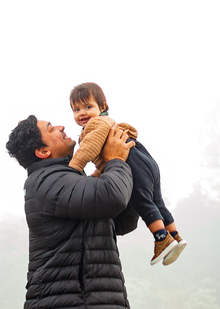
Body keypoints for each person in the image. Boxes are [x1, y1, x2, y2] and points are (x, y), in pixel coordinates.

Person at [6, 114, 138, 309]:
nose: (61, 126)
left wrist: (129, 172)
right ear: (43, 151)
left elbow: (121, 222)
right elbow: (112, 197)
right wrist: (115, 160)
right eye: (51, 129)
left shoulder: (68, 180)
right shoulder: (46, 181)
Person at [68, 82, 188, 267]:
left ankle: (162, 239)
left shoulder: (96, 124)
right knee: (157, 201)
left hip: (133, 163)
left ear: (103, 107)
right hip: (145, 159)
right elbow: (108, 159)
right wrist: (96, 174)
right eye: (76, 109)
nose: (82, 113)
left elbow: (89, 149)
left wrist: (74, 167)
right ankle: (175, 235)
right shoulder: (110, 123)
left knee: (141, 200)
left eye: (88, 107)